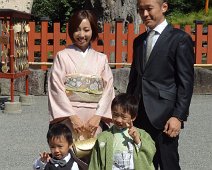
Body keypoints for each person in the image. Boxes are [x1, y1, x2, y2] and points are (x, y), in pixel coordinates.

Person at [127, 0, 194, 169]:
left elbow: (185, 83)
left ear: (164, 7)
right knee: (141, 163)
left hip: (165, 117)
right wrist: (128, 111)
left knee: (167, 164)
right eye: (141, 10)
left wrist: (178, 116)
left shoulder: (179, 39)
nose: (144, 14)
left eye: (149, 9)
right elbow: (134, 79)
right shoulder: (139, 41)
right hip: (139, 115)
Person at [48, 9, 115, 140]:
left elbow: (108, 89)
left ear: (93, 31)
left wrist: (98, 116)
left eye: (86, 30)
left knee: (94, 156)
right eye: (77, 29)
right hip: (68, 118)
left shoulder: (101, 59)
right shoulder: (62, 56)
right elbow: (56, 88)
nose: (81, 34)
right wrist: (72, 117)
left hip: (94, 118)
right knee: (69, 154)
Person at [88, 93, 156, 170]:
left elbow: (151, 152)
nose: (119, 120)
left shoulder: (142, 134)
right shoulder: (103, 137)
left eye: (124, 117)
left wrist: (137, 140)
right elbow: (95, 162)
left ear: (133, 117)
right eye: (115, 115)